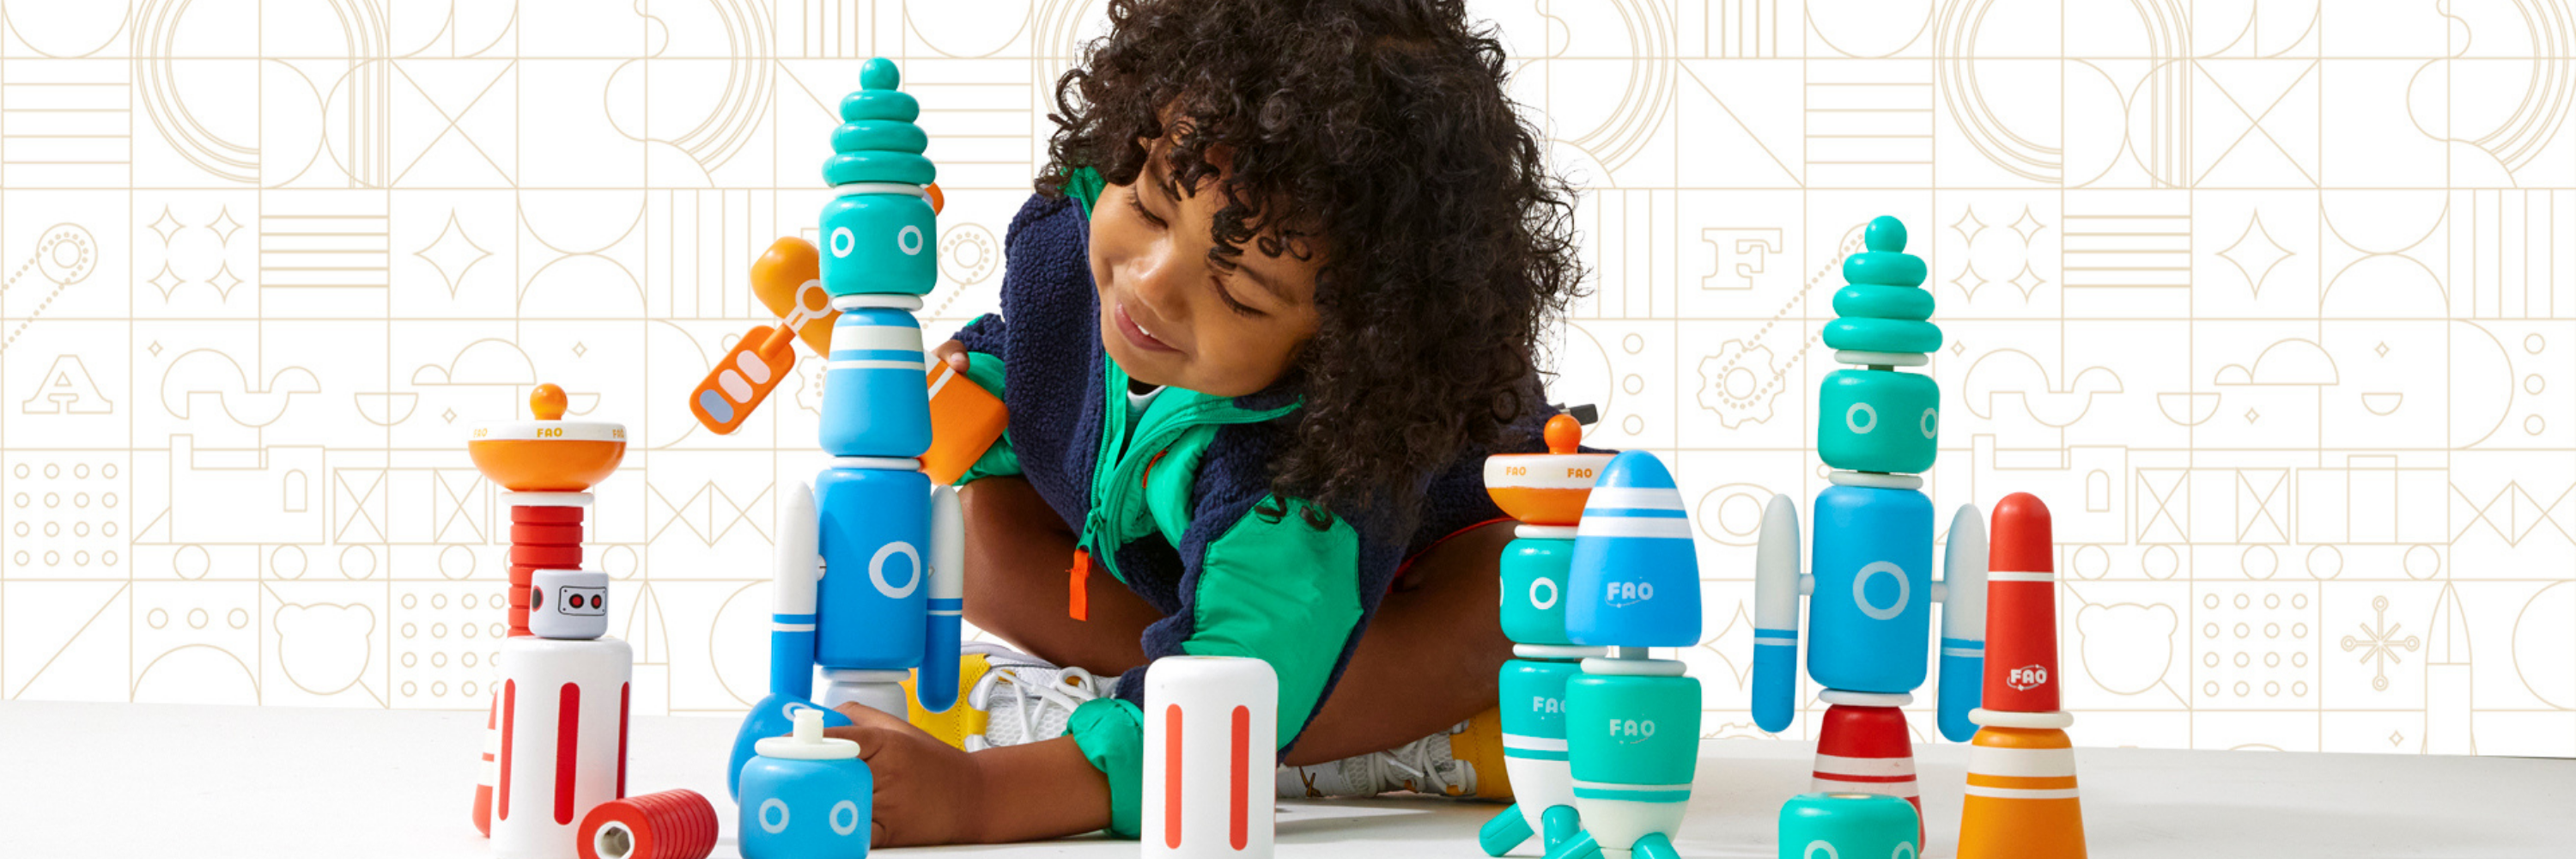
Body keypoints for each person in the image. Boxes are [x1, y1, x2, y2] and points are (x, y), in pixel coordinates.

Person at [825, 0, 1584, 845]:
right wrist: (976, 377)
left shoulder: (1304, 472)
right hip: (1180, 557)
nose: (1150, 283)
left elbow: (1248, 647)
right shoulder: (1067, 233)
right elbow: (1047, 350)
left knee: (1509, 608)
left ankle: (1303, 738)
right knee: (976, 538)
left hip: (1416, 572)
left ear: (1340, 348)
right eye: (1150, 208)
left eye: (1238, 293)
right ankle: (1191, 715)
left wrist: (976, 793)